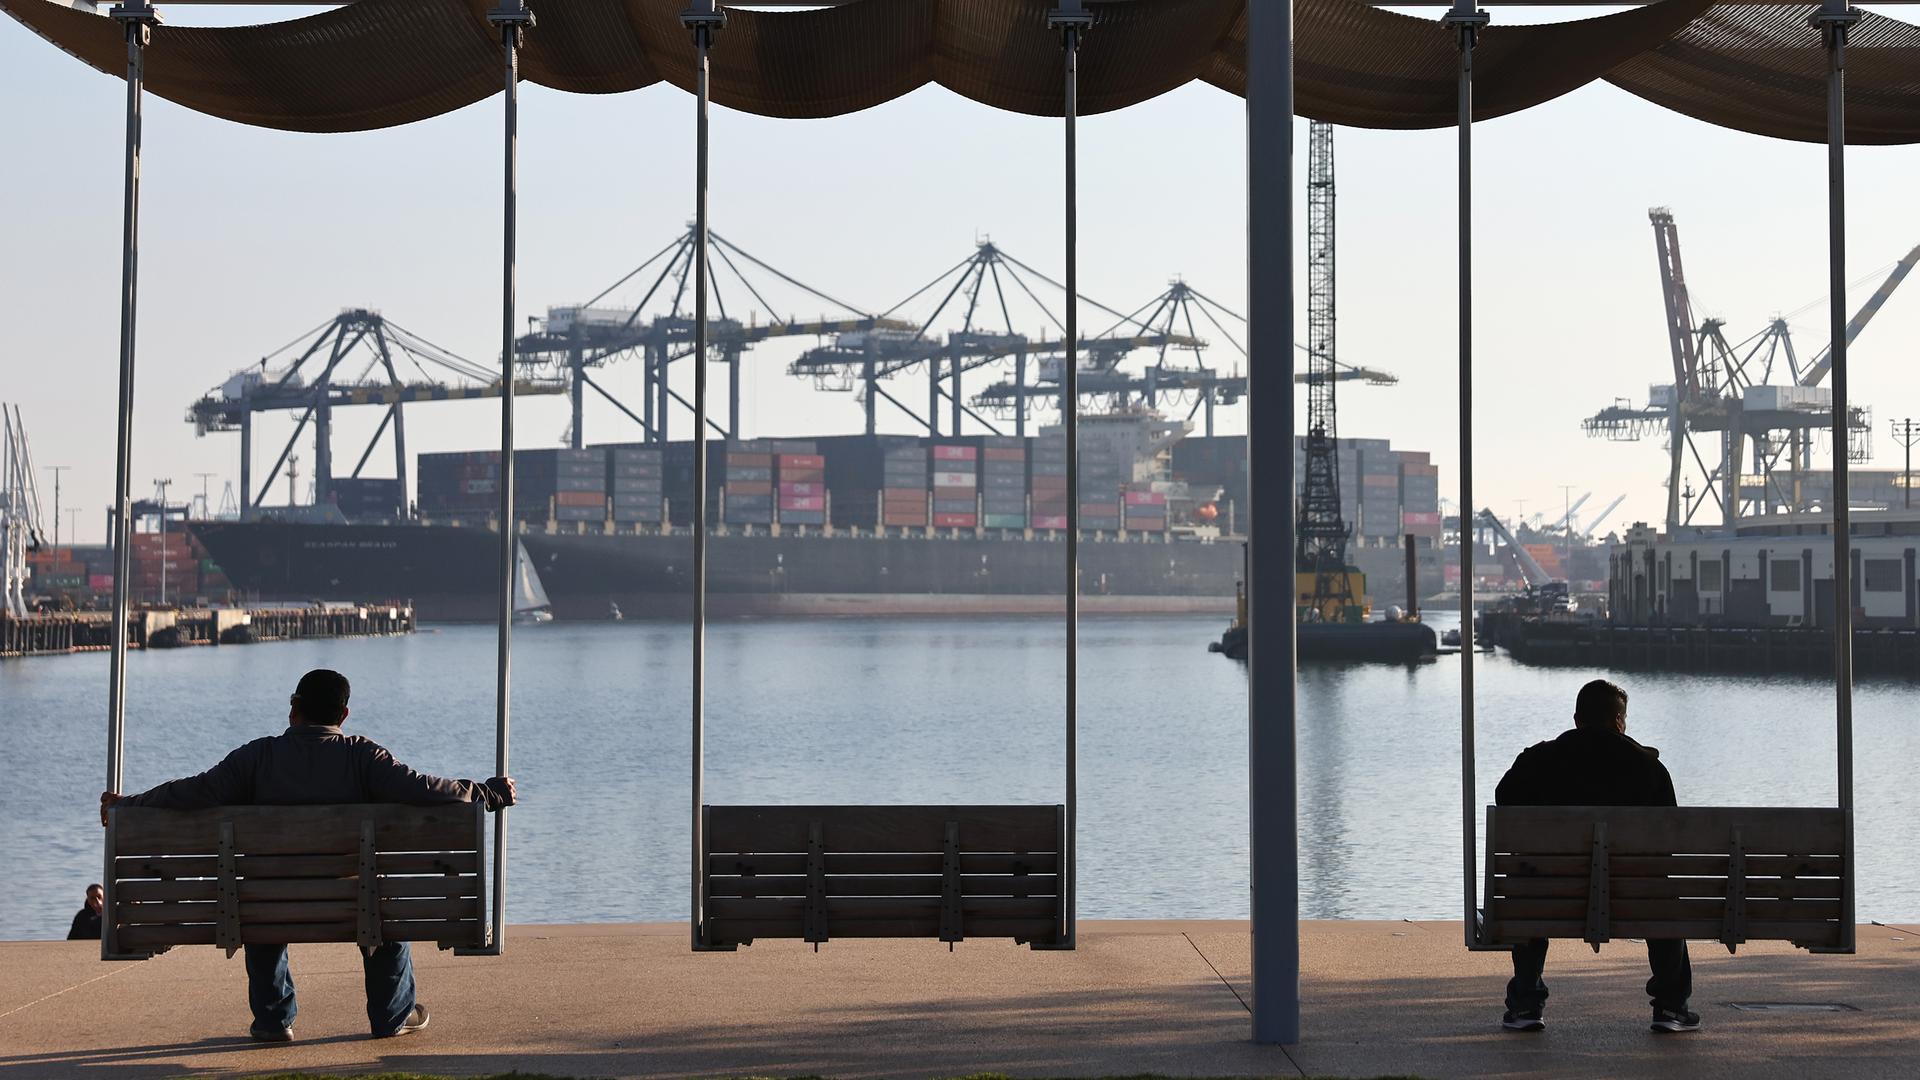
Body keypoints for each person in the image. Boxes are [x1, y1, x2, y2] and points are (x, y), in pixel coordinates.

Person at [98, 669, 517, 1044]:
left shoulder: (255, 758)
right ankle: (392, 1014)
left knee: (258, 899)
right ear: (344, 714)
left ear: (293, 709)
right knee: (382, 904)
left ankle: (273, 1020)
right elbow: (426, 790)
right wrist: (487, 793)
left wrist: (127, 805)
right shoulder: (362, 756)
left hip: (269, 904)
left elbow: (192, 792)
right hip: (353, 902)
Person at [1494, 678, 1699, 1035]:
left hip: (1549, 898)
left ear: (1577, 719)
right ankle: (1670, 1006)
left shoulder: (1536, 762)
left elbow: (1504, 799)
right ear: (1620, 721)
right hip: (1632, 899)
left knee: (1530, 884)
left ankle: (1527, 1002)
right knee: (1660, 892)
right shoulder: (1649, 769)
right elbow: (1669, 841)